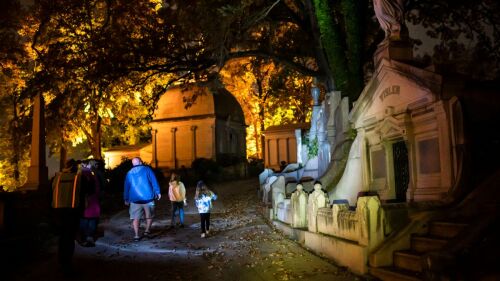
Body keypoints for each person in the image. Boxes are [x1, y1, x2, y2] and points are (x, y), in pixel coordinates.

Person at [51, 159, 88, 276]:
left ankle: (61, 262)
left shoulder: (56, 178)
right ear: (74, 167)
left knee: (62, 238)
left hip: (58, 212)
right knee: (69, 238)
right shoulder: (78, 178)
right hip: (72, 212)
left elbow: (50, 194)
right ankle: (67, 265)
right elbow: (88, 190)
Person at [124, 157, 161, 241]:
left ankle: (136, 235)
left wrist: (126, 198)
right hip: (148, 198)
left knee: (135, 218)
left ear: (133, 164)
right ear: (140, 162)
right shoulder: (147, 169)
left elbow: (126, 187)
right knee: (149, 215)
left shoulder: (129, 173)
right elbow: (154, 181)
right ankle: (147, 231)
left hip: (135, 199)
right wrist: (157, 192)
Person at [79, 159, 100, 247]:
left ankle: (83, 238)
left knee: (83, 219)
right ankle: (90, 237)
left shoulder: (78, 176)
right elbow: (97, 188)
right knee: (92, 219)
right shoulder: (93, 175)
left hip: (82, 202)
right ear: (88, 166)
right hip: (93, 201)